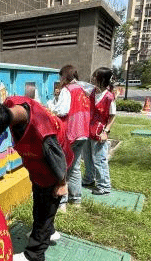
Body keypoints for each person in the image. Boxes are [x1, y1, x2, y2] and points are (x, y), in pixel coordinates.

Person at [0, 96, 72, 261]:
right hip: (38, 169)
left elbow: (58, 159)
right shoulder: (10, 105)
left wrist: (62, 183)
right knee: (40, 204)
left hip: (52, 172)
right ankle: (48, 232)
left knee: (45, 210)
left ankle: (35, 256)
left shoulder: (41, 133)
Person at [47, 65, 90, 209]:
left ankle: (62, 202)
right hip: (83, 132)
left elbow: (62, 110)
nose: (59, 79)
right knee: (75, 166)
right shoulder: (83, 88)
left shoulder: (67, 90)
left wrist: (49, 106)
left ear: (64, 76)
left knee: (63, 167)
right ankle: (76, 199)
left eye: (60, 77)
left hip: (70, 133)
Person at [83, 67, 116, 196]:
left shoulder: (108, 97)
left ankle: (104, 185)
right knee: (87, 158)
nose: (92, 78)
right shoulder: (91, 92)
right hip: (87, 130)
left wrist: (106, 131)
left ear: (102, 79)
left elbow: (112, 116)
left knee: (99, 160)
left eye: (95, 76)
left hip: (99, 132)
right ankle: (89, 179)